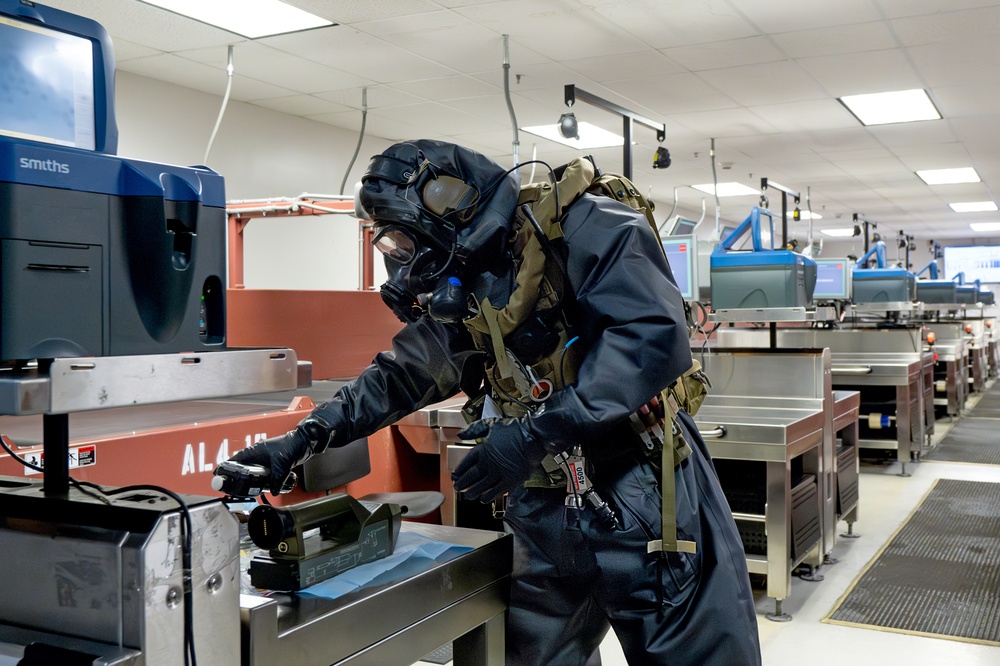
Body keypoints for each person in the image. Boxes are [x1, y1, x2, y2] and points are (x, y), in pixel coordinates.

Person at [222, 139, 762, 666]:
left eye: (407, 244)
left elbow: (650, 339)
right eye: (392, 247)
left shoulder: (589, 227)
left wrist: (534, 433)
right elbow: (403, 375)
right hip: (544, 505)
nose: (406, 265)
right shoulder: (466, 283)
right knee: (534, 654)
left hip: (644, 488)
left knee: (695, 650)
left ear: (450, 209)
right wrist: (303, 439)